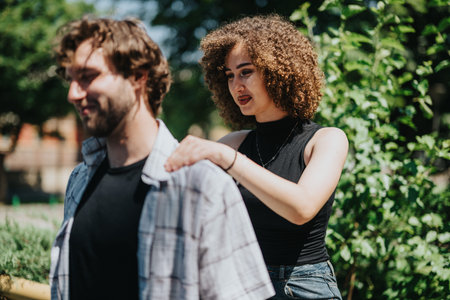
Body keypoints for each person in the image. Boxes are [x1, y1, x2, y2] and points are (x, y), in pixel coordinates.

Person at [49, 17, 275, 300]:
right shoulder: (79, 181)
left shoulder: (201, 186)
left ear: (138, 77)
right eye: (71, 79)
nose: (73, 93)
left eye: (88, 76)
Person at [165, 15, 348, 299]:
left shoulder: (327, 139)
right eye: (229, 75)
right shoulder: (234, 144)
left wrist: (228, 159)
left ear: (278, 71)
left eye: (246, 71)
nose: (236, 85)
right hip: (245, 283)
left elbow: (301, 208)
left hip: (304, 286)